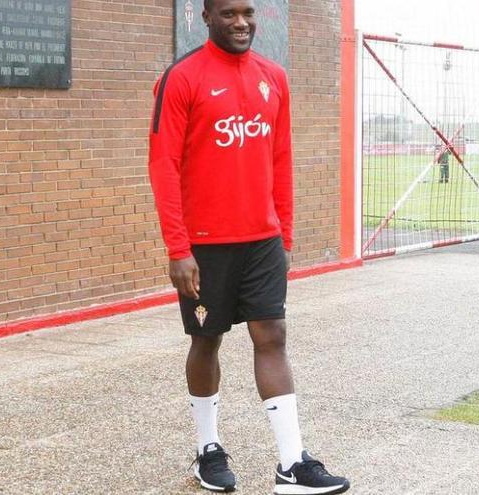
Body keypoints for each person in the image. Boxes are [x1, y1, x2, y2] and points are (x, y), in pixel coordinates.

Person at [148, 1, 350, 493]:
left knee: (273, 335)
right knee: (207, 340)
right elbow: (162, 165)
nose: (241, 23)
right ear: (207, 17)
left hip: (262, 239)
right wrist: (178, 248)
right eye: (228, 14)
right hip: (205, 244)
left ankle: (291, 463)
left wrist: (285, 236)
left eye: (248, 13)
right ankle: (207, 449)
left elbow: (280, 159)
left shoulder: (273, 77)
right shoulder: (181, 78)